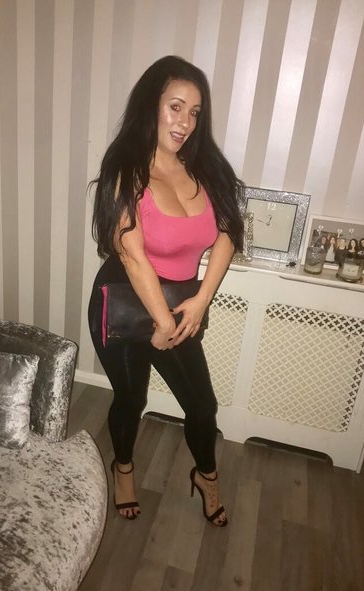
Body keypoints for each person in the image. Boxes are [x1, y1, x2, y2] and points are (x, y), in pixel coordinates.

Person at [88, 55, 244, 526]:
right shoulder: (125, 170)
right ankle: (123, 468)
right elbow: (132, 255)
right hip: (122, 303)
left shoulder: (204, 168)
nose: (185, 122)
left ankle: (206, 476)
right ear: (150, 105)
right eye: (175, 107)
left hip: (180, 305)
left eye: (194, 112)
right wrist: (162, 321)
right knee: (131, 398)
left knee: (201, 404)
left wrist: (201, 300)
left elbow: (228, 234)